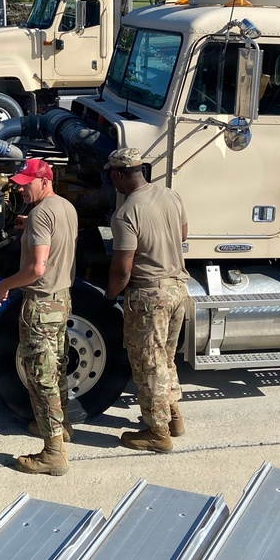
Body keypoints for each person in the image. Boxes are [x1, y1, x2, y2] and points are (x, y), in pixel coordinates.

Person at [0, 158, 78, 476]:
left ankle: (53, 452)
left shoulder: (41, 215)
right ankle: (61, 423)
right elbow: (53, 238)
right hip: (61, 299)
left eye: (27, 182)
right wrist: (30, 227)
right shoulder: (64, 207)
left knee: (40, 377)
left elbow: (36, 268)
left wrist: (3, 285)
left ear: (44, 181)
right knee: (57, 367)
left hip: (40, 304)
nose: (20, 187)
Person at [105, 148, 190, 453]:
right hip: (178, 289)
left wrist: (110, 296)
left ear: (117, 175)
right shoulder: (170, 195)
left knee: (148, 364)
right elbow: (182, 235)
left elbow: (123, 267)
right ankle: (174, 418)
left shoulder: (126, 213)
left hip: (149, 294)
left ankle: (157, 432)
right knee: (165, 359)